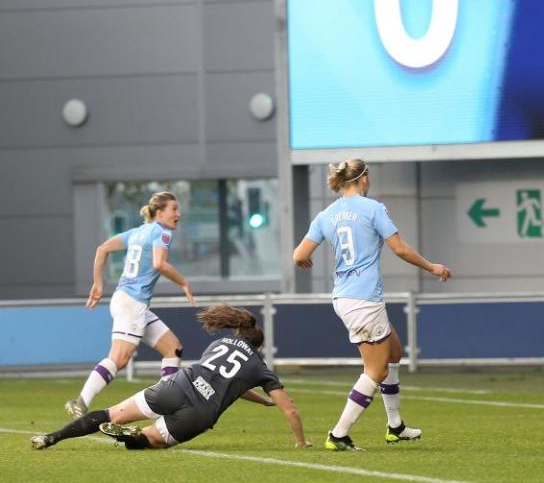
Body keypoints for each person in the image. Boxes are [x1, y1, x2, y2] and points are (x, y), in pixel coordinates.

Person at [293, 158, 452, 451]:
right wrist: (432, 267)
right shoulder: (373, 209)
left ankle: (395, 426)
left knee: (394, 351)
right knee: (375, 370)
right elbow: (399, 248)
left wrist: (303, 259)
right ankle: (339, 434)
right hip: (363, 299)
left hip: (344, 296)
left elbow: (298, 254)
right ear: (364, 178)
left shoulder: (326, 215)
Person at [33, 305, 310, 450]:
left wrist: (261, 401)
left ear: (240, 332)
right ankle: (132, 438)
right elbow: (291, 410)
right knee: (150, 443)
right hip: (199, 413)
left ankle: (51, 437)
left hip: (177, 386)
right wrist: (300, 440)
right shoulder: (258, 366)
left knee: (109, 414)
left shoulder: (219, 345)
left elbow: (223, 378)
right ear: (259, 346)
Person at [65, 191, 196, 420]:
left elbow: (102, 249)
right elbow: (159, 264)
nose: (178, 214)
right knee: (119, 358)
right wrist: (183, 283)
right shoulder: (162, 232)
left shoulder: (138, 232)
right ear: (160, 212)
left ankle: (164, 404)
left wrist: (98, 284)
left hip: (126, 301)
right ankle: (80, 402)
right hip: (132, 304)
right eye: (174, 209)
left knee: (173, 348)